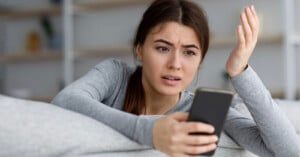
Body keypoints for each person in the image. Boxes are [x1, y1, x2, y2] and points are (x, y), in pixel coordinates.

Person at [52, 0, 300, 156]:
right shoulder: (115, 75)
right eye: (162, 48)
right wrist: (149, 130)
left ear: (200, 61)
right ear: (139, 49)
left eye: (189, 52)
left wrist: (241, 71)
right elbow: (65, 101)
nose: (175, 64)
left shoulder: (202, 110)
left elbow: (289, 151)